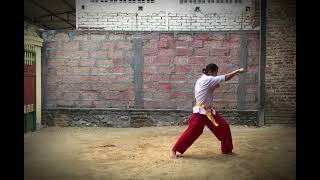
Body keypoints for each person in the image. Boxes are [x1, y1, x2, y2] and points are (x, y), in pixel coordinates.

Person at [170, 63, 245, 158]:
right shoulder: (207, 79)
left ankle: (227, 149)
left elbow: (205, 92)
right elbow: (226, 77)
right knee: (192, 131)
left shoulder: (202, 80)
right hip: (200, 113)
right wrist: (237, 71)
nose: (216, 75)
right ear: (210, 72)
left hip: (208, 112)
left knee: (224, 126)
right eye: (215, 73)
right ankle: (174, 149)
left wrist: (213, 88)